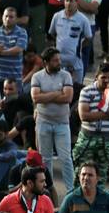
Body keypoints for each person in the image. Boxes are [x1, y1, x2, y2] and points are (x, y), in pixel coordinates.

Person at [30, 47, 75, 191]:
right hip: (43, 122)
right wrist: (57, 93)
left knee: (66, 158)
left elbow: (67, 97)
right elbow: (36, 97)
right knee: (45, 159)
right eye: (55, 60)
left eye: (59, 60)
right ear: (45, 62)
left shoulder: (66, 75)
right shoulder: (37, 77)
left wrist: (46, 95)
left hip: (62, 123)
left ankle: (70, 190)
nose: (58, 63)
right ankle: (46, 189)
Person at [75, 64, 109, 182]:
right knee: (81, 173)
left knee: (101, 175)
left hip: (108, 138)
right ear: (96, 77)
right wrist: (105, 114)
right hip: (87, 136)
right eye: (103, 77)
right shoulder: (86, 91)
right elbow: (84, 116)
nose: (107, 81)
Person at [0, 7, 28, 95]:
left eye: (11, 17)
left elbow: (18, 49)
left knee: (15, 105)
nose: (8, 19)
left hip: (14, 79)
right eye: (6, 16)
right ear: (2, 17)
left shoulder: (22, 32)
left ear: (16, 18)